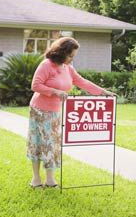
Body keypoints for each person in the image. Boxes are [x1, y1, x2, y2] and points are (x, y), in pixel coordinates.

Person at [27, 37, 115, 188]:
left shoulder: (68, 68)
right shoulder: (47, 65)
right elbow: (35, 85)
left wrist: (103, 92)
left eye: (73, 56)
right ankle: (36, 178)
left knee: (53, 144)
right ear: (61, 52)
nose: (72, 59)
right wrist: (55, 91)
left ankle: (49, 179)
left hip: (54, 111)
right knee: (39, 142)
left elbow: (82, 82)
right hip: (39, 109)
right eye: (70, 56)